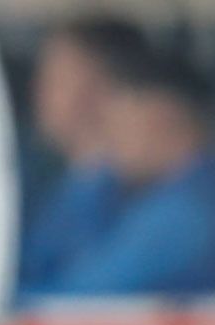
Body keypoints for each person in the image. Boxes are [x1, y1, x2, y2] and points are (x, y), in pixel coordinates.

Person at [25, 46, 215, 297]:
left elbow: (77, 297)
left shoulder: (186, 214)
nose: (110, 140)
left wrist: (88, 181)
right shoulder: (163, 197)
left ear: (163, 119)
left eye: (121, 123)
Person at [19, 20, 141, 289]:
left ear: (100, 88)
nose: (37, 92)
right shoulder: (65, 184)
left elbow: (70, 297)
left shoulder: (116, 196)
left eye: (55, 79)